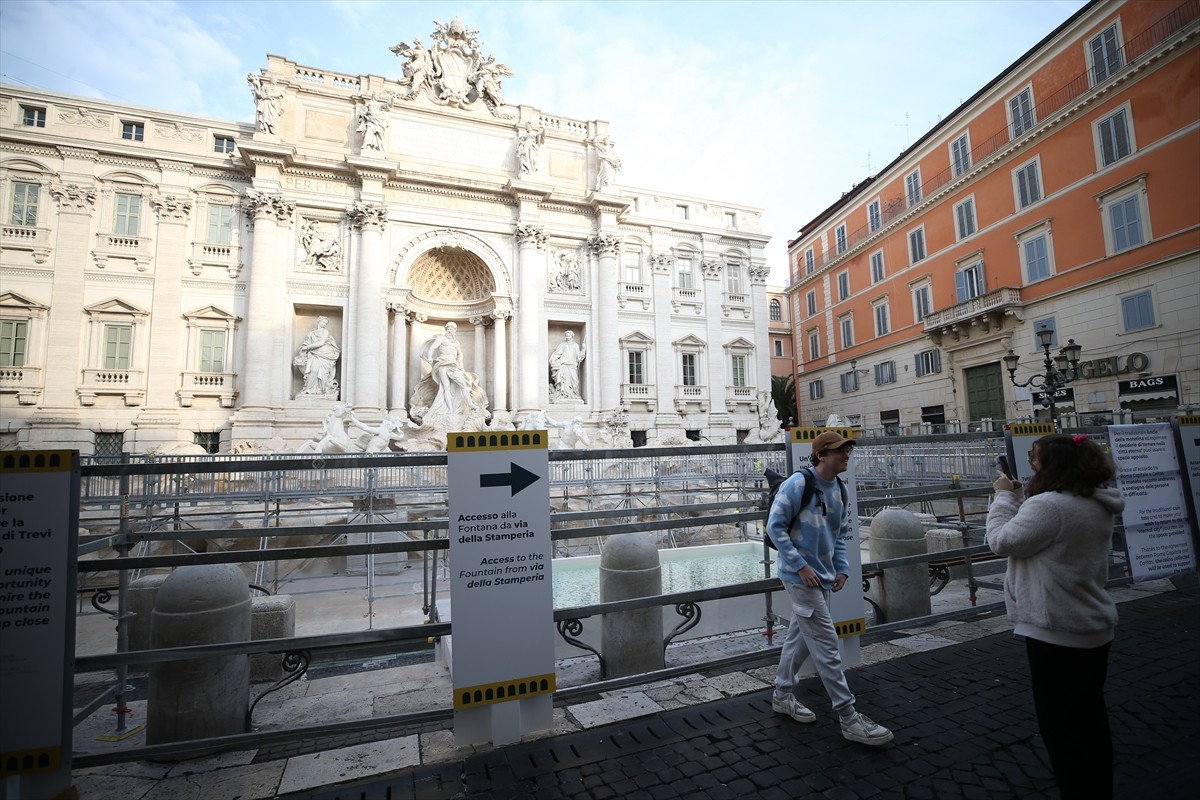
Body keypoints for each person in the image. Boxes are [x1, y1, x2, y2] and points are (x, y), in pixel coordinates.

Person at [986, 433, 1123, 799]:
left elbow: (1000, 541)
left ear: (1054, 466)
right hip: (1093, 624)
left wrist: (1003, 496)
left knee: (1061, 730)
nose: (1031, 465)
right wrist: (1022, 498)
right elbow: (1047, 534)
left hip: (1056, 629)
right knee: (1091, 719)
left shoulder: (1049, 506)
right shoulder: (1095, 500)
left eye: (1036, 459)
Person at [766, 430, 893, 746]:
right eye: (839, 451)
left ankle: (782, 694)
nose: (846, 455)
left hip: (821, 576)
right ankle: (849, 717)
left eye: (848, 450)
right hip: (800, 577)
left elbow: (840, 532)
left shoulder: (840, 488)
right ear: (821, 455)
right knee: (826, 644)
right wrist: (801, 566)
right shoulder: (798, 483)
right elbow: (774, 527)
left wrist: (842, 569)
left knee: (799, 639)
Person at [295, 317, 340, 397]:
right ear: (318, 322)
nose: (324, 324)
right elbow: (306, 342)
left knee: (323, 373)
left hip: (325, 354)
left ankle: (321, 390)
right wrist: (304, 348)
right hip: (314, 353)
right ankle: (309, 390)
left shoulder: (325, 331)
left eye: (326, 323)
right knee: (314, 370)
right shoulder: (312, 333)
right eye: (323, 322)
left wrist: (307, 347)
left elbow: (321, 343)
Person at [549, 330, 585, 401]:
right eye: (566, 336)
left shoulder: (575, 345)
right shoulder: (562, 345)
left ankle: (574, 394)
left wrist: (583, 348)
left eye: (569, 336)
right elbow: (556, 354)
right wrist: (554, 361)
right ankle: (564, 395)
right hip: (564, 365)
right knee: (564, 381)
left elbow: (579, 357)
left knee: (574, 380)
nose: (567, 337)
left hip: (572, 366)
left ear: (572, 336)